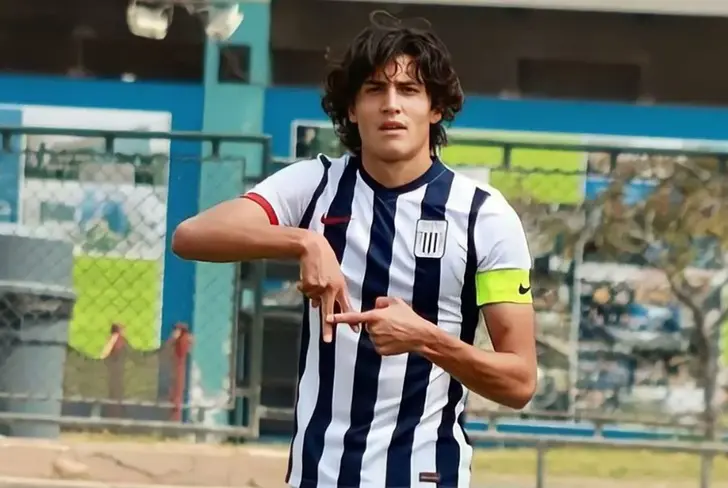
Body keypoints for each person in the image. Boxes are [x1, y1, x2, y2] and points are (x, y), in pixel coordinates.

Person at [172, 11, 537, 488]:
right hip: (317, 475)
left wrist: (425, 339)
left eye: (409, 90)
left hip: (424, 474)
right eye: (374, 89)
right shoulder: (313, 186)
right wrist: (303, 240)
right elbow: (190, 236)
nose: (391, 105)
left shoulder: (483, 217)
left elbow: (519, 381)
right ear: (350, 108)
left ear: (435, 108)